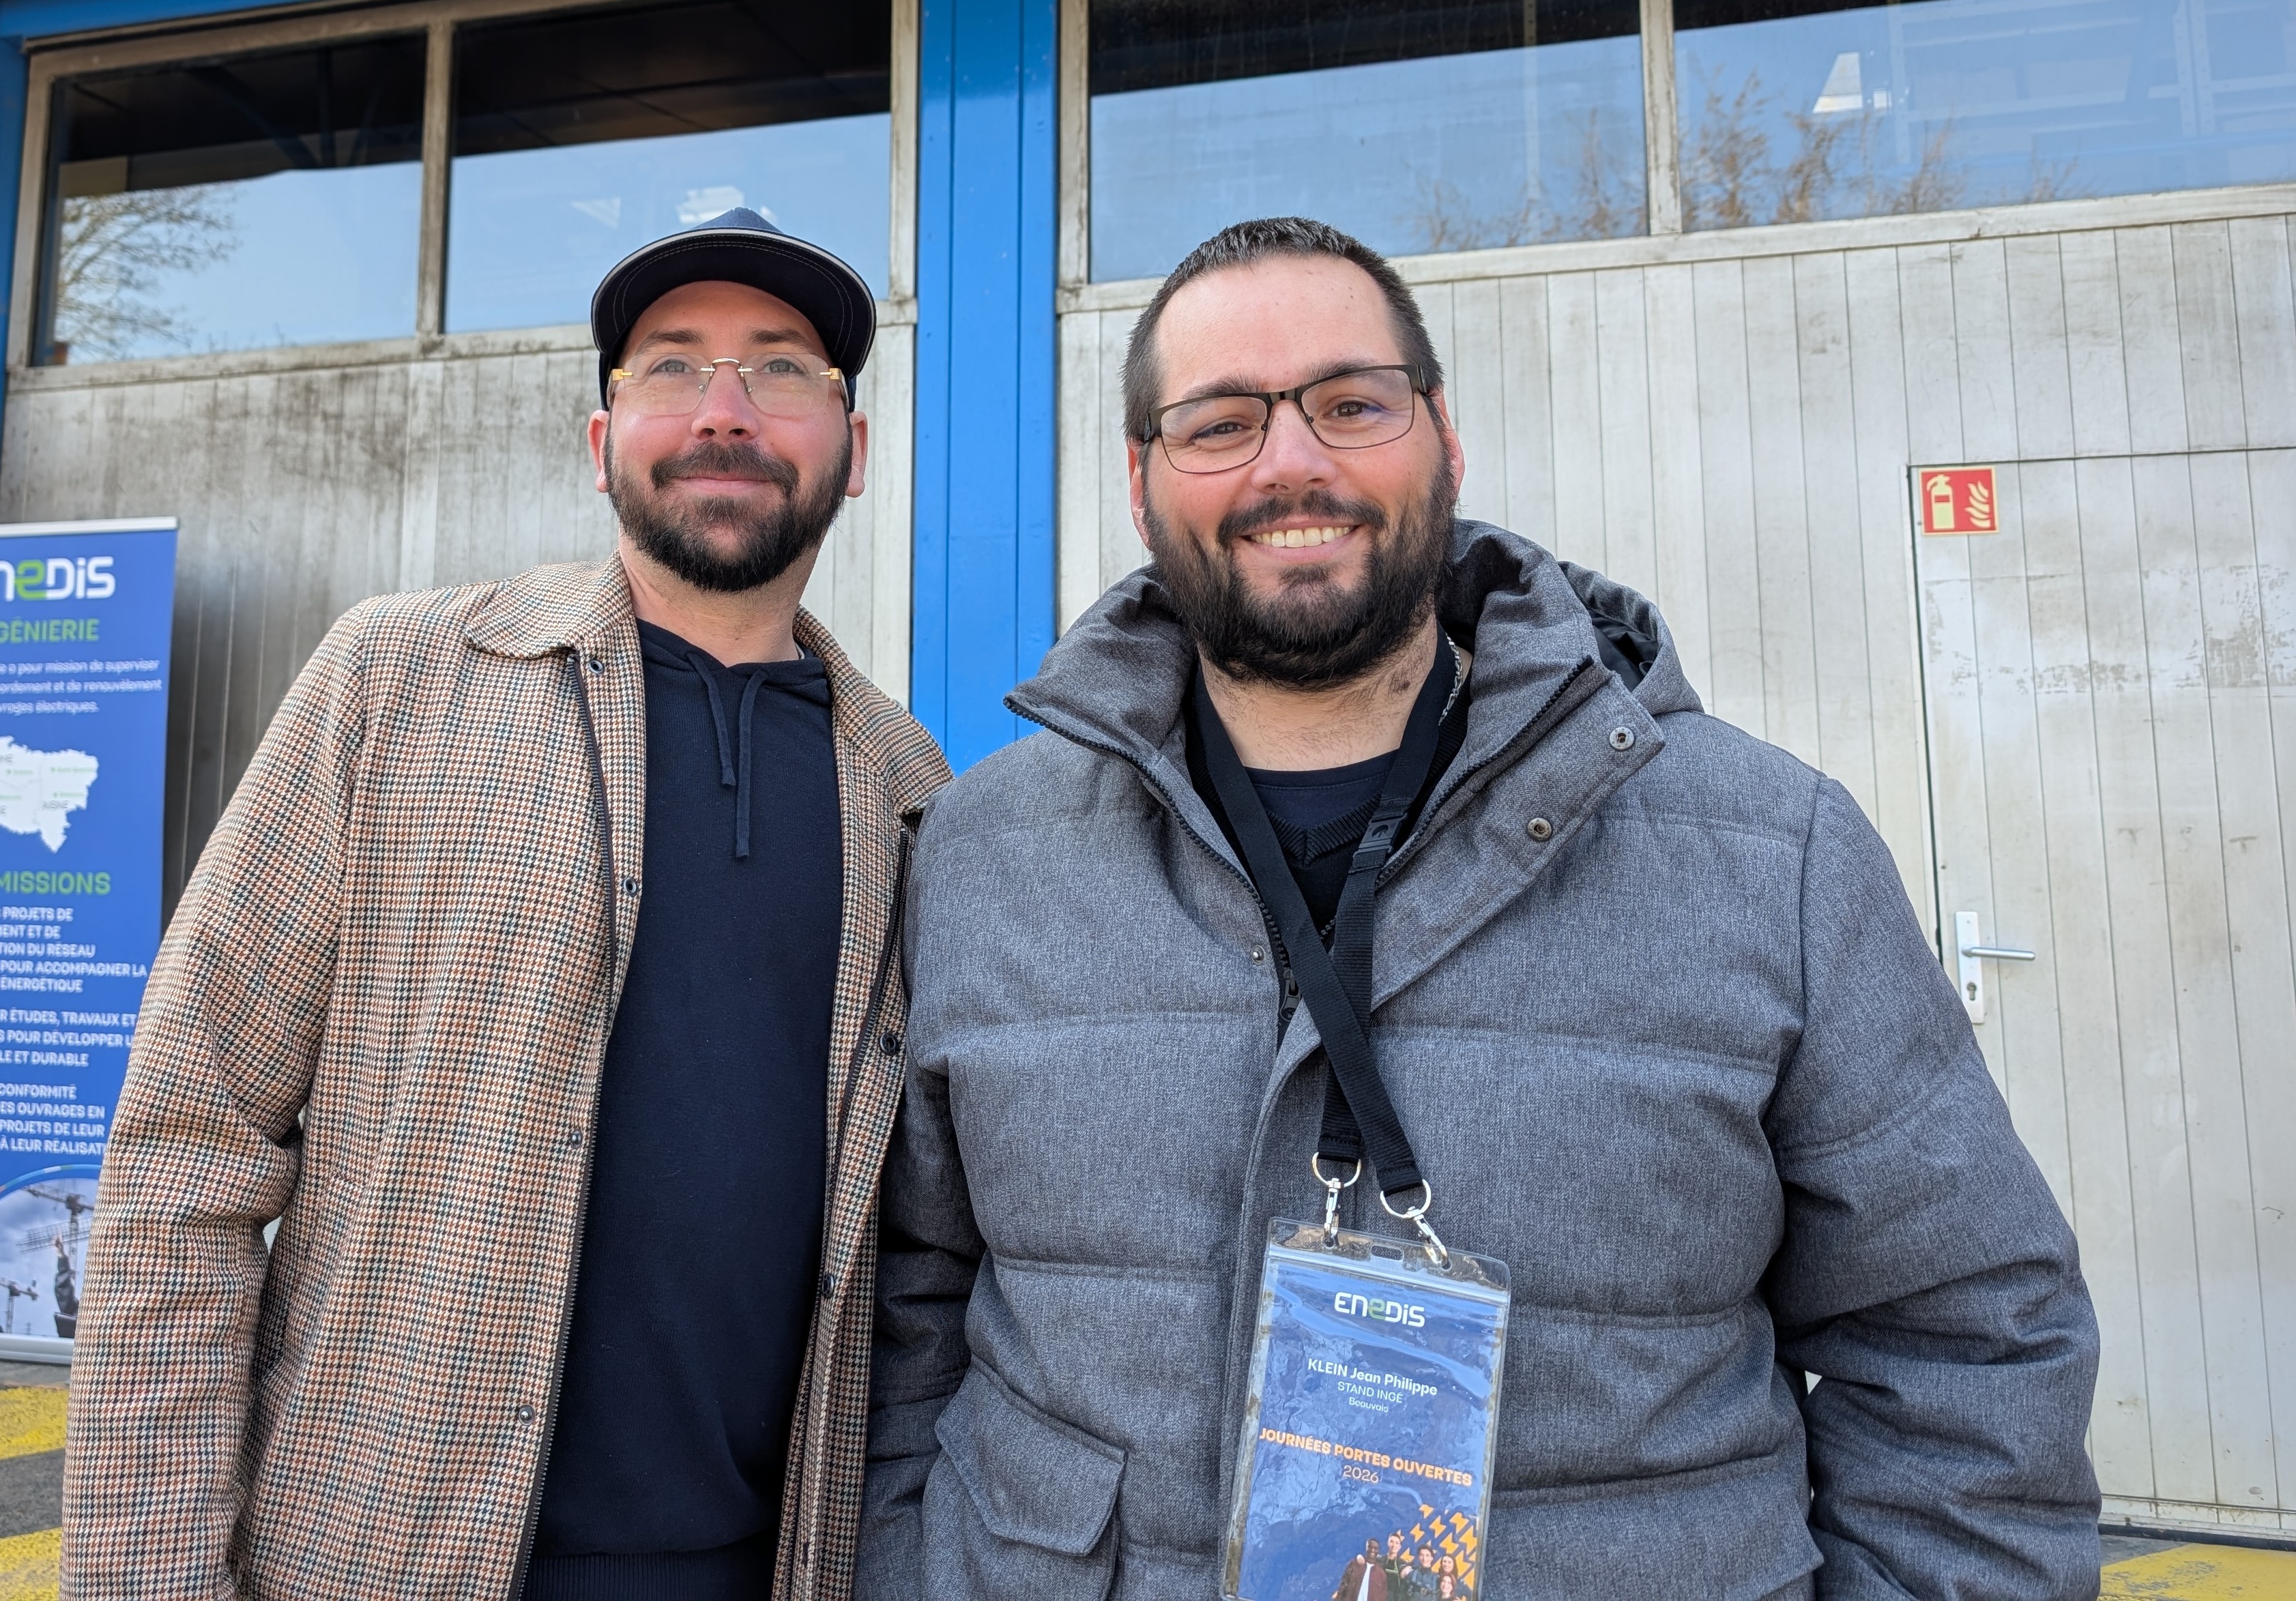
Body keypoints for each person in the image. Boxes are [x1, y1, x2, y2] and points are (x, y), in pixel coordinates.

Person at [858, 217, 2101, 1598]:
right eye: (1218, 422)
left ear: (1443, 434)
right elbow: (908, 1308)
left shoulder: (1771, 850)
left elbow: (1960, 1336)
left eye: (1351, 402)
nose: (1292, 461)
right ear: (1141, 479)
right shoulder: (985, 848)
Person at [63, 211, 948, 1601]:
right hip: (372, 1563)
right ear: (601, 443)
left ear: (852, 457)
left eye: (783, 370)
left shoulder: (907, 796)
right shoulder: (394, 683)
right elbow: (190, 1151)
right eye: (671, 367)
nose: (725, 411)